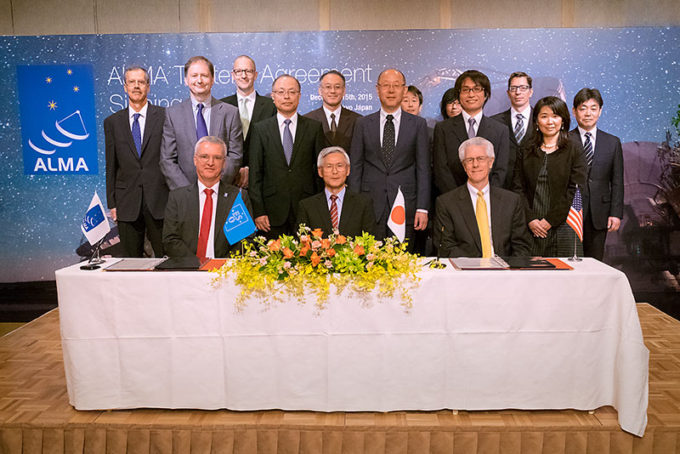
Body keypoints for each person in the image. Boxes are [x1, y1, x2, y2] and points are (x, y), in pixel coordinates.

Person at [349, 68, 430, 244]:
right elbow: (356, 167)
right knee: (370, 263)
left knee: (403, 264)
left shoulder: (418, 125)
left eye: (396, 85)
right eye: (386, 85)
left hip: (405, 205)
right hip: (370, 205)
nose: (391, 90)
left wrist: (422, 208)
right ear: (377, 89)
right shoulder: (362, 124)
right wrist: (354, 206)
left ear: (404, 89)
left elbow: (423, 169)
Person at [248, 74, 327, 238]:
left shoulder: (313, 128)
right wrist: (259, 211)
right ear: (273, 96)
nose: (286, 97)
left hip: (306, 207)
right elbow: (255, 174)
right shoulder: (260, 129)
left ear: (299, 96)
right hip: (271, 212)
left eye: (292, 92)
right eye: (281, 92)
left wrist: (320, 209)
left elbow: (321, 173)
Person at [104, 65, 167, 257]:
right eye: (132, 82)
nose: (136, 86)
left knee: (168, 259)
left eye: (141, 82)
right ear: (125, 87)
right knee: (131, 262)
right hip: (127, 203)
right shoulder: (112, 122)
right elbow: (111, 166)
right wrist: (112, 203)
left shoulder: (165, 116)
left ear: (148, 86)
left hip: (160, 201)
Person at [512, 96, 587, 257]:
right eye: (544, 116)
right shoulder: (526, 149)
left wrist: (550, 221)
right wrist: (531, 219)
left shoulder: (574, 149)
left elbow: (575, 190)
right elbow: (518, 188)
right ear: (537, 121)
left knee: (564, 279)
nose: (550, 121)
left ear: (563, 120)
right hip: (530, 226)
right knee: (530, 277)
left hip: (564, 226)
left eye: (555, 116)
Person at [433, 137, 531, 257]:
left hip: (505, 271)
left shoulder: (511, 201)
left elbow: (521, 246)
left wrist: (508, 271)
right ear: (464, 166)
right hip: (465, 272)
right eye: (469, 160)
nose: (475, 164)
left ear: (490, 162)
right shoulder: (446, 203)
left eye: (480, 158)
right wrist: (477, 267)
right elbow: (446, 246)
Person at [160, 56, 243, 191]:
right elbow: (167, 160)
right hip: (185, 197)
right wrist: (188, 192)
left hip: (220, 194)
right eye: (194, 76)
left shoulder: (230, 113)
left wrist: (214, 187)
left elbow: (235, 156)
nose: (199, 80)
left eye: (204, 75)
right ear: (186, 80)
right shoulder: (172, 114)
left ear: (212, 80)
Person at [162, 136, 252, 258]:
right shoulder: (177, 198)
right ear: (195, 160)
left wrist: (223, 268)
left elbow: (244, 240)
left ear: (224, 163)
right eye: (204, 157)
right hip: (187, 270)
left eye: (217, 158)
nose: (210, 163)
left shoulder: (236, 197)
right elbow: (170, 240)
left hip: (224, 271)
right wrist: (196, 265)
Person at [569, 88, 624, 261]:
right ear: (574, 111)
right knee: (570, 261)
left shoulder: (612, 142)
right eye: (583, 108)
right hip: (570, 212)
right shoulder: (564, 139)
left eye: (593, 108)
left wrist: (615, 213)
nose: (588, 113)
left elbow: (617, 181)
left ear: (600, 111)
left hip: (600, 213)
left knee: (595, 262)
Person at [433, 70, 510, 193]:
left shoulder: (500, 130)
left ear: (485, 94)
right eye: (466, 90)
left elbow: (501, 171)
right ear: (458, 95)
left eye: (477, 89)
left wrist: (486, 198)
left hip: (489, 203)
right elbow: (441, 170)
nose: (471, 94)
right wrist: (458, 200)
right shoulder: (443, 129)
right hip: (453, 202)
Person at [220, 55, 277, 188]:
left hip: (262, 181)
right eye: (239, 71)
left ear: (255, 75)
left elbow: (274, 146)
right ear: (233, 75)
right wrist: (233, 170)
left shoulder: (271, 106)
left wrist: (252, 170)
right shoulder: (221, 106)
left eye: (248, 71)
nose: (244, 76)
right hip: (228, 181)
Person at [297, 146, 376, 237]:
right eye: (329, 166)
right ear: (320, 171)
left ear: (348, 170)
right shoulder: (307, 206)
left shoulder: (363, 204)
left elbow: (371, 242)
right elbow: (301, 244)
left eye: (339, 166)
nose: (335, 171)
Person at [491, 72, 535, 188]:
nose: (518, 92)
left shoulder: (541, 121)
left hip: (535, 191)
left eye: (523, 88)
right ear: (508, 93)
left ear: (531, 92)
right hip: (502, 189)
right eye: (513, 88)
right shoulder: (494, 123)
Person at [305, 70, 362, 153]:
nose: (333, 91)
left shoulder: (357, 120)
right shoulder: (308, 120)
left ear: (344, 91)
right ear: (320, 91)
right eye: (328, 87)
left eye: (337, 87)